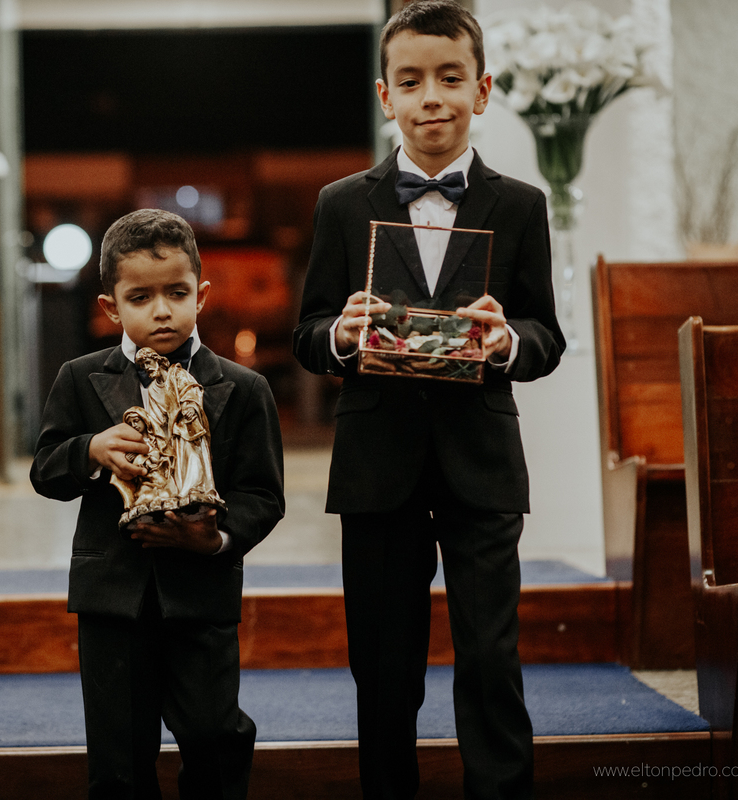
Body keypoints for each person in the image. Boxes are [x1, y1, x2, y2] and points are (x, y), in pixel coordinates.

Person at [292, 1, 565, 798]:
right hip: (378, 466)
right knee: (383, 665)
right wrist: (341, 335)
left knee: (491, 656)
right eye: (410, 81)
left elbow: (546, 335)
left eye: (450, 78)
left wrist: (506, 340)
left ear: (483, 90)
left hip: (483, 463)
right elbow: (307, 332)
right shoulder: (342, 203)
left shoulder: (521, 205)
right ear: (386, 96)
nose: (431, 98)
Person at [31, 208, 285, 799]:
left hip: (201, 594)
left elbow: (263, 494)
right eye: (140, 298)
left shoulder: (245, 388)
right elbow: (46, 471)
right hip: (111, 598)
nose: (162, 310)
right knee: (118, 757)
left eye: (177, 293)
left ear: (202, 294)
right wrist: (90, 449)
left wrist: (215, 539)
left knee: (215, 737)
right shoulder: (79, 377)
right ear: (110, 307)